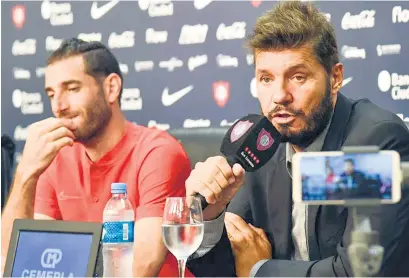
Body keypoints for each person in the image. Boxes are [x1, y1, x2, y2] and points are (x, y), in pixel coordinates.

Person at [185, 1, 409, 277]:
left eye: (298, 77)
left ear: (335, 78)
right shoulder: (263, 145)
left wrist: (260, 271)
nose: (279, 96)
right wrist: (210, 217)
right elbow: (222, 269)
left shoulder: (375, 141)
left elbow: (359, 273)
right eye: (266, 79)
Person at [1, 38, 194, 277]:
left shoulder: (157, 152)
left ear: (111, 88)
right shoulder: (55, 157)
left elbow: (141, 267)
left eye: (72, 89)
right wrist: (25, 174)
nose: (58, 106)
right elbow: (13, 259)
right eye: (51, 94)